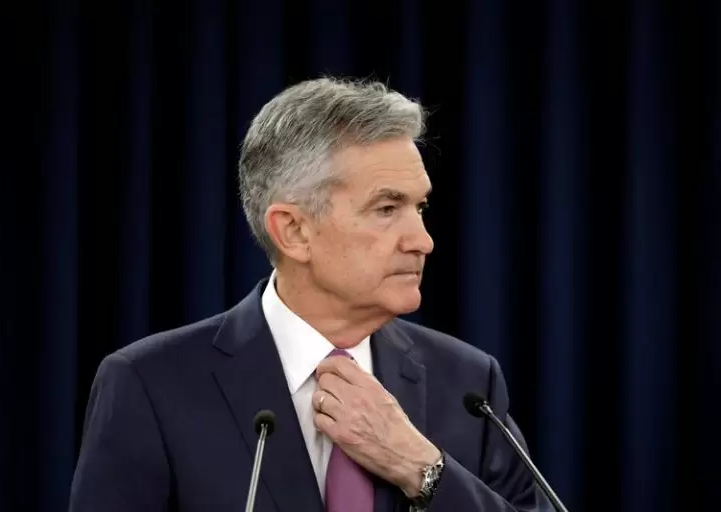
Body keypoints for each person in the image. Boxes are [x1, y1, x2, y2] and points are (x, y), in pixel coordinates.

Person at [68, 77, 552, 511]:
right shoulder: (151, 385)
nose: (422, 241)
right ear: (293, 231)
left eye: (419, 208)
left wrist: (421, 468)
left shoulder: (469, 385)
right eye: (386, 209)